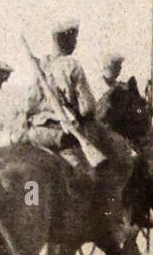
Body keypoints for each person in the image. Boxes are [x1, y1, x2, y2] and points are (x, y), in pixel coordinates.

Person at [22, 19, 100, 170]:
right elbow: (88, 106)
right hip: (62, 132)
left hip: (36, 132)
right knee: (85, 179)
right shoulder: (72, 65)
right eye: (74, 39)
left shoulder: (40, 65)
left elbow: (29, 103)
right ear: (65, 40)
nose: (75, 43)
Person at [95, 53, 150, 146]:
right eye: (117, 67)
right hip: (106, 127)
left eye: (119, 67)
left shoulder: (122, 86)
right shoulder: (98, 86)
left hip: (121, 125)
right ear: (108, 67)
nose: (119, 70)